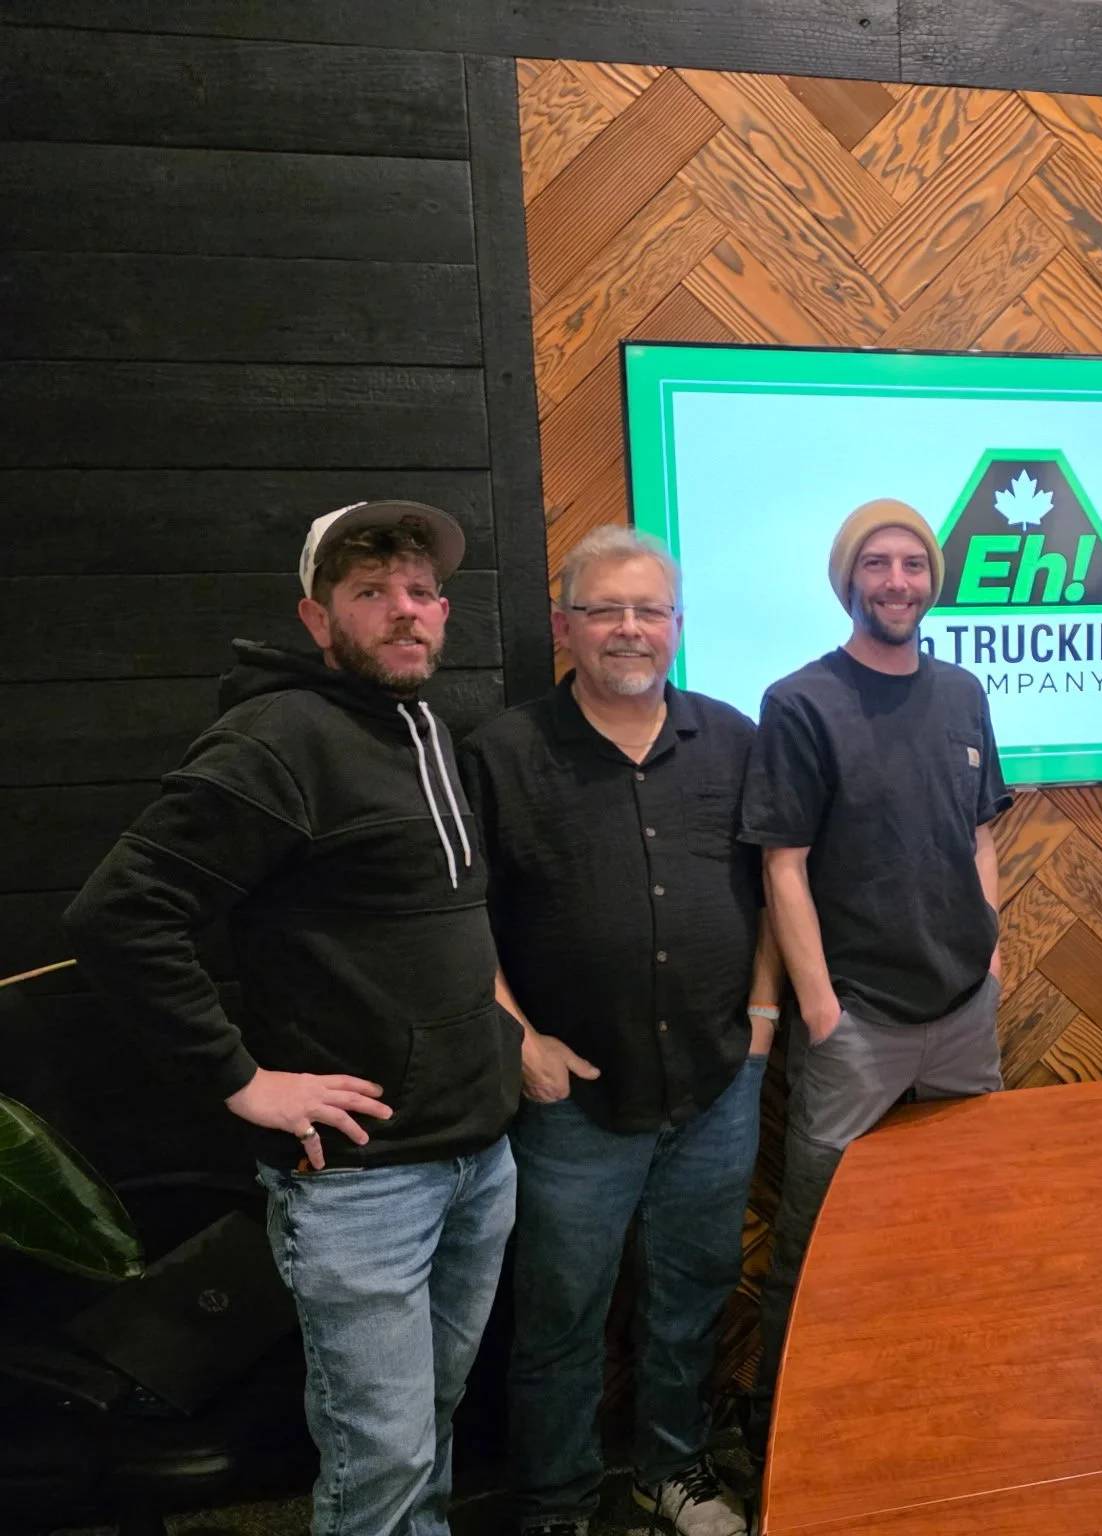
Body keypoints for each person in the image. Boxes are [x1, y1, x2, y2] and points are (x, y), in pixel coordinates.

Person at [64, 501, 520, 1536]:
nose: (403, 612)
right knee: (381, 1453)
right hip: (364, 1187)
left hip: (473, 1157)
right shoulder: (279, 739)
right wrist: (241, 1079)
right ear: (316, 620)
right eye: (370, 593)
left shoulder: (421, 726)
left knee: (428, 1425)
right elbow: (119, 915)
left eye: (418, 592)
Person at [461, 528, 776, 1536]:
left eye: (649, 611)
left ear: (677, 627)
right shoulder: (502, 754)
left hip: (715, 1083)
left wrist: (763, 1017)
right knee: (559, 1320)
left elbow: (775, 888)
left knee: (690, 1297)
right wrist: (519, 1040)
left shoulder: (732, 739)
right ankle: (553, 1503)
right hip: (573, 1101)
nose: (629, 630)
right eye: (606, 610)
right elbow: (458, 921)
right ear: (565, 625)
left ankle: (669, 1472)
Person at [740, 499, 1009, 1423]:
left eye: (914, 565)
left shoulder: (965, 691)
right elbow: (783, 864)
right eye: (878, 564)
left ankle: (945, 1398)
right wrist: (819, 1010)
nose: (898, 582)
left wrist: (994, 953)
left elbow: (979, 834)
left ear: (934, 581)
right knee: (816, 1244)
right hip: (856, 1023)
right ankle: (786, 1428)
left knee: (964, 1226)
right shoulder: (800, 701)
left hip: (965, 1010)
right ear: (847, 579)